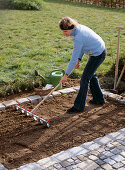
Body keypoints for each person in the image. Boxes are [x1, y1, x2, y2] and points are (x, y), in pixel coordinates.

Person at [59, 16, 107, 114]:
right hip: (96, 51)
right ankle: (99, 99)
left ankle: (78, 107)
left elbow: (73, 58)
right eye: (63, 32)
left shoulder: (78, 37)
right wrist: (79, 59)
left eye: (65, 32)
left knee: (85, 79)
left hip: (98, 54)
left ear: (71, 28)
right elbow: (82, 47)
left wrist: (66, 75)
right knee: (90, 74)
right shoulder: (77, 29)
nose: (64, 34)